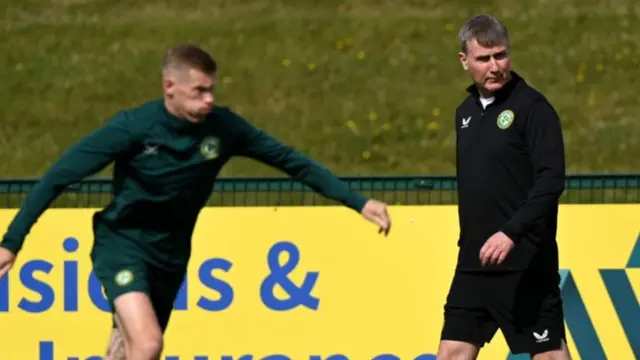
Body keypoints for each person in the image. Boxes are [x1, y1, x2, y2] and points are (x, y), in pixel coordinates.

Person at [0, 44, 392, 360]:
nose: (209, 100)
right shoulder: (134, 127)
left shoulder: (223, 128)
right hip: (123, 246)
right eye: (199, 91)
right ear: (170, 87)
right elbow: (58, 177)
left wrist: (357, 202)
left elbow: (291, 161)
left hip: (170, 255)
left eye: (212, 90)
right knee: (149, 344)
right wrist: (12, 242)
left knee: (129, 350)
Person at [437, 14, 571, 360]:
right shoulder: (464, 113)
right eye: (484, 58)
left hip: (524, 264)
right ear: (464, 61)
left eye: (501, 55)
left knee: (549, 355)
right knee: (451, 352)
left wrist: (511, 233)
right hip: (473, 264)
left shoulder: (533, 108)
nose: (495, 66)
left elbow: (552, 178)